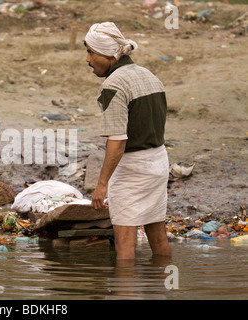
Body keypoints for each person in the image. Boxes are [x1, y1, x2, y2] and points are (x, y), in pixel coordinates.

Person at [85, 22, 172, 260]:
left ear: (108, 55)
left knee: (124, 245)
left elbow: (118, 140)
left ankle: (125, 292)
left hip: (131, 169)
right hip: (158, 162)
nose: (88, 59)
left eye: (91, 52)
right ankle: (160, 291)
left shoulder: (113, 85)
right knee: (158, 236)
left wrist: (102, 184)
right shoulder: (149, 76)